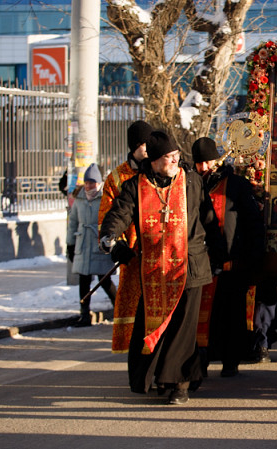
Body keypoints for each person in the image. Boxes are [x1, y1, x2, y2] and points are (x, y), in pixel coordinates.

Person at [100, 130, 226, 405]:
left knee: (183, 327)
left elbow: (207, 217)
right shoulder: (137, 186)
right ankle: (160, 376)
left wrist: (219, 253)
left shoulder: (190, 180)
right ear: (154, 160)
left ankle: (179, 384)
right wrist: (111, 240)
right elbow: (118, 215)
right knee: (156, 325)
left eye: (177, 156)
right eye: (169, 157)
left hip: (189, 266)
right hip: (154, 270)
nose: (174, 161)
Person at [191, 137, 265, 377]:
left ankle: (231, 360)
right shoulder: (191, 186)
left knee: (231, 315)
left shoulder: (236, 185)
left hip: (233, 262)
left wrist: (252, 259)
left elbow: (253, 223)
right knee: (201, 318)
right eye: (198, 163)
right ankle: (200, 361)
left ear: (216, 159)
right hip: (200, 264)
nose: (203, 167)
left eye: (207, 161)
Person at [99, 120, 153, 352]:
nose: (146, 149)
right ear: (132, 147)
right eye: (141, 144)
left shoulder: (159, 170)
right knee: (133, 303)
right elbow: (106, 217)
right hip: (131, 255)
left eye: (148, 143)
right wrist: (116, 246)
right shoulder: (117, 177)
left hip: (158, 250)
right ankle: (135, 350)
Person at [67, 163, 117, 327]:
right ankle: (84, 314)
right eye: (87, 182)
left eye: (93, 182)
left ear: (99, 183)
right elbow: (73, 222)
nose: (89, 185)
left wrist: (111, 241)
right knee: (84, 280)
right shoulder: (79, 198)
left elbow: (111, 220)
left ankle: (119, 310)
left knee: (104, 280)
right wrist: (70, 244)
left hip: (99, 244)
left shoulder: (105, 197)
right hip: (83, 244)